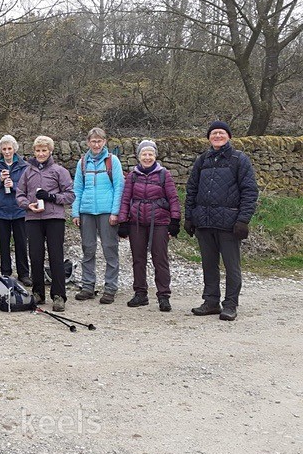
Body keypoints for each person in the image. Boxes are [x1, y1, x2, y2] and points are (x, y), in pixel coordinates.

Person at [185, 121, 258, 321]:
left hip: (229, 224)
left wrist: (243, 220)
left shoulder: (239, 159)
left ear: (229, 137)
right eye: (214, 133)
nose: (217, 136)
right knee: (209, 265)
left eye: (221, 133)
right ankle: (210, 302)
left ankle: (230, 305)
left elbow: (250, 191)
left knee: (232, 267)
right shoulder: (202, 160)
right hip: (205, 223)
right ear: (209, 137)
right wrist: (189, 216)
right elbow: (191, 189)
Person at [117, 140, 181, 312]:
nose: (147, 157)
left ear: (155, 155)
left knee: (160, 259)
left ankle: (163, 296)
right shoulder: (132, 176)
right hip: (136, 222)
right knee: (138, 259)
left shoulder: (163, 174)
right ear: (138, 157)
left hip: (159, 221)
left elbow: (173, 198)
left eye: (150, 154)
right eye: (144, 154)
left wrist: (175, 221)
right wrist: (123, 221)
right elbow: (125, 199)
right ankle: (140, 293)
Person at [16, 136, 75, 311]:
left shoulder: (59, 171)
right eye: (38, 150)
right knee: (35, 256)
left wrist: (51, 197)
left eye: (44, 150)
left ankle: (58, 295)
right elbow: (19, 194)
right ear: (33, 152)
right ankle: (38, 293)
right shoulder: (27, 172)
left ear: (50, 151)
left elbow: (70, 194)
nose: (41, 153)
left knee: (56, 256)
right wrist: (28, 205)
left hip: (54, 218)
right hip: (33, 219)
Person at [71, 127, 125, 304]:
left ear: (105, 142)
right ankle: (88, 286)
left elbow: (119, 187)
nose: (96, 144)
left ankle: (110, 287)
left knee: (110, 249)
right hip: (86, 211)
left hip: (106, 211)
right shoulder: (82, 163)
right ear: (88, 142)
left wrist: (115, 212)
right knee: (88, 249)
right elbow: (77, 188)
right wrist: (75, 212)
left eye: (99, 141)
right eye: (93, 141)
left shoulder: (112, 161)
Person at [0, 135, 30, 286]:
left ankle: (23, 274)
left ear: (14, 149)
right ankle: (6, 273)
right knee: (3, 243)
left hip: (19, 210)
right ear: (1, 150)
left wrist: (14, 185)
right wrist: (0, 181)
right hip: (1, 210)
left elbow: (29, 187)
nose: (7, 151)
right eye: (4, 149)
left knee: (21, 243)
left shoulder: (24, 166)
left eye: (9, 148)